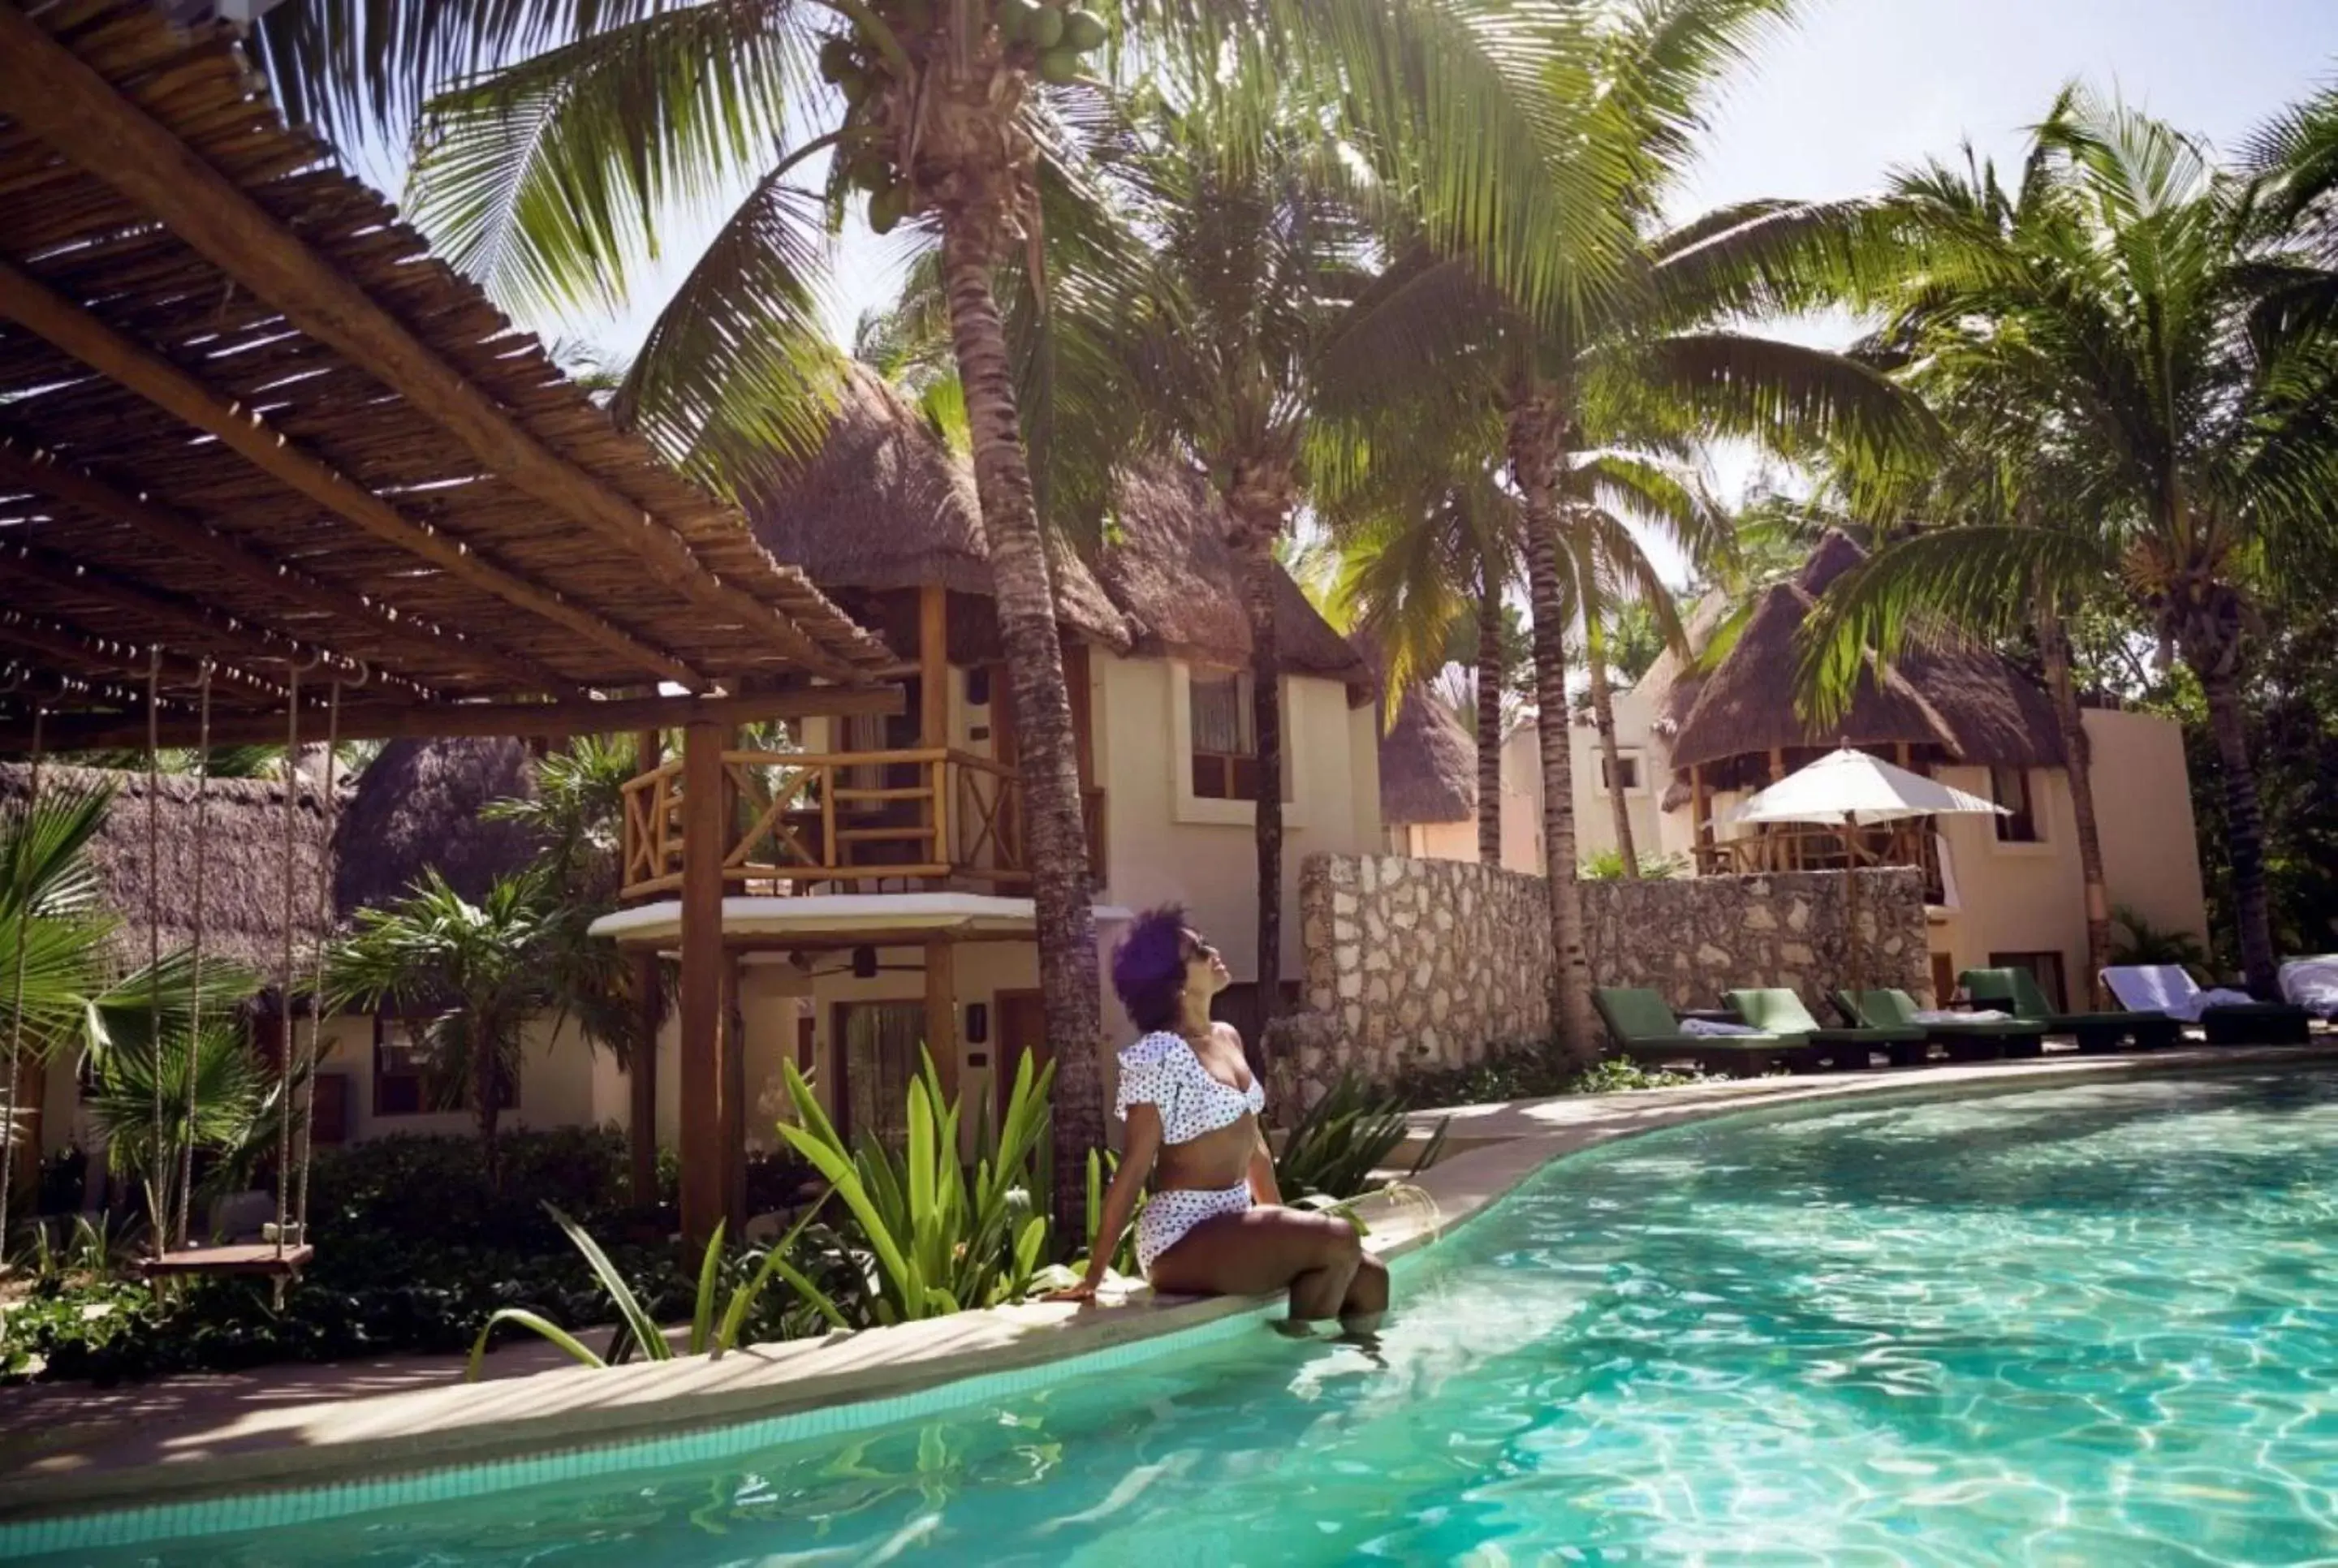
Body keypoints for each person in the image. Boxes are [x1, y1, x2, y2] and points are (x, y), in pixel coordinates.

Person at [1050, 905, 1389, 1337]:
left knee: (1372, 1278)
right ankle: (1301, 1377)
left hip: (1234, 1221)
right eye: (1198, 951)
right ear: (1174, 983)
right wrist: (1093, 1275)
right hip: (1181, 1236)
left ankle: (1357, 1381)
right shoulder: (1159, 1056)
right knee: (1338, 1238)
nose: (1213, 953)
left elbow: (1256, 1151)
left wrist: (1285, 1232)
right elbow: (1134, 1166)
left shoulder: (1228, 1036)